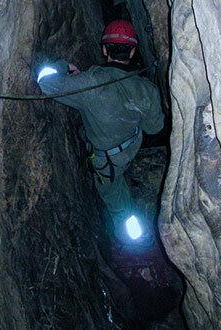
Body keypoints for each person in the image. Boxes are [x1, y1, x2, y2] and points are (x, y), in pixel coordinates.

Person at [37, 20, 164, 225]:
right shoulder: (147, 90)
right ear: (132, 53)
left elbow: (45, 82)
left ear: (105, 49)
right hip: (132, 147)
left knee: (116, 198)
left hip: (107, 161)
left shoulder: (90, 83)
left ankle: (133, 236)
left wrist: (64, 66)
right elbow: (154, 128)